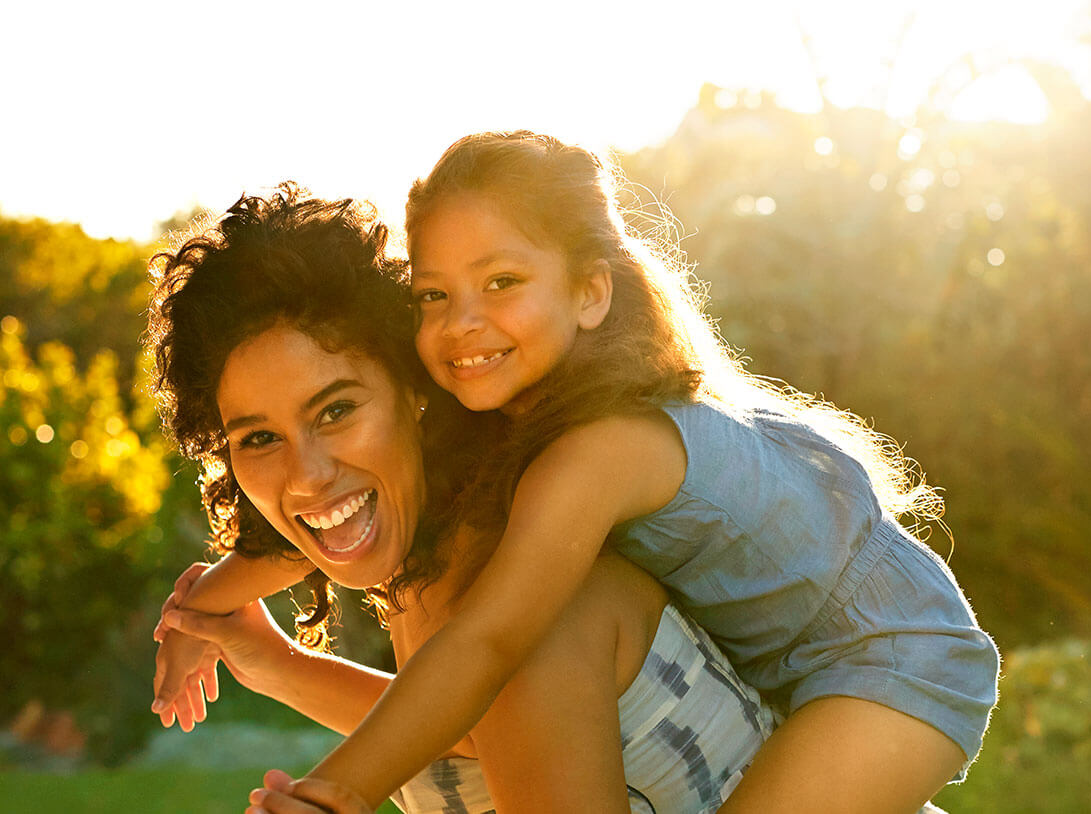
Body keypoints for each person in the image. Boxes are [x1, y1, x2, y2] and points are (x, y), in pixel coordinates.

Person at [155, 131, 999, 812]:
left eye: (503, 281)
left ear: (592, 293)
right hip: (810, 669)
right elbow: (447, 699)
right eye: (435, 297)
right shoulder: (494, 461)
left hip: (892, 663)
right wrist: (212, 613)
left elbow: (484, 650)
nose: (463, 324)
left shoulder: (585, 460)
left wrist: (337, 791)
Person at [146, 185, 777, 813]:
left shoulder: (523, 611)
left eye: (336, 410)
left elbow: (492, 701)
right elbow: (463, 732)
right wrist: (265, 655)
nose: (306, 477)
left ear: (415, 392)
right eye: (259, 438)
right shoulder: (440, 575)